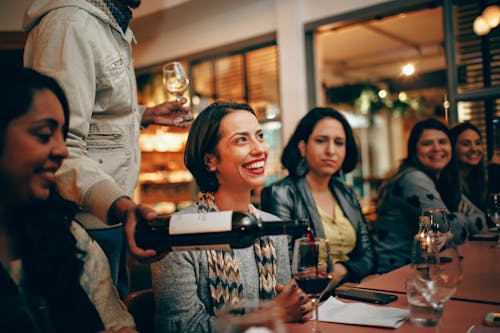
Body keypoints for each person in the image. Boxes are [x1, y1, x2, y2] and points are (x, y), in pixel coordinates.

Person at [23, 0, 190, 296]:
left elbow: (96, 112)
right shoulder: (70, 25)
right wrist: (122, 207)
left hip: (110, 220)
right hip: (82, 224)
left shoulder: (111, 23)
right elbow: (59, 145)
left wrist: (142, 115)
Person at [151, 102, 313, 333]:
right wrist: (269, 314)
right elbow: (180, 329)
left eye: (259, 136)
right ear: (211, 160)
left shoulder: (272, 227)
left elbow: (286, 306)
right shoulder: (178, 234)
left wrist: (299, 307)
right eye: (241, 140)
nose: (260, 149)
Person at [0, 67, 136, 333]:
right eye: (43, 135)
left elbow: (117, 323)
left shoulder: (69, 236)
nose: (62, 151)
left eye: (62, 136)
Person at [261, 107, 375, 286]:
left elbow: (368, 255)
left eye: (339, 142)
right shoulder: (281, 193)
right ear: (303, 147)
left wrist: (341, 270)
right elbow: (284, 264)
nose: (331, 151)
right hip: (310, 299)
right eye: (321, 141)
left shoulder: (347, 192)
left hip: (353, 293)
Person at [372, 118, 488, 274]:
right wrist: (458, 218)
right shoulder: (413, 179)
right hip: (395, 274)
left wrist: (455, 219)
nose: (436, 148)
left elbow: (481, 218)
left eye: (442, 142)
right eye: (427, 144)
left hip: (423, 268)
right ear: (414, 150)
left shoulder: (442, 179)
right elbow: (447, 229)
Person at [451, 122, 487, 211]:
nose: (474, 149)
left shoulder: (480, 178)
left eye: (478, 143)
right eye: (466, 144)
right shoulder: (447, 183)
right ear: (452, 147)